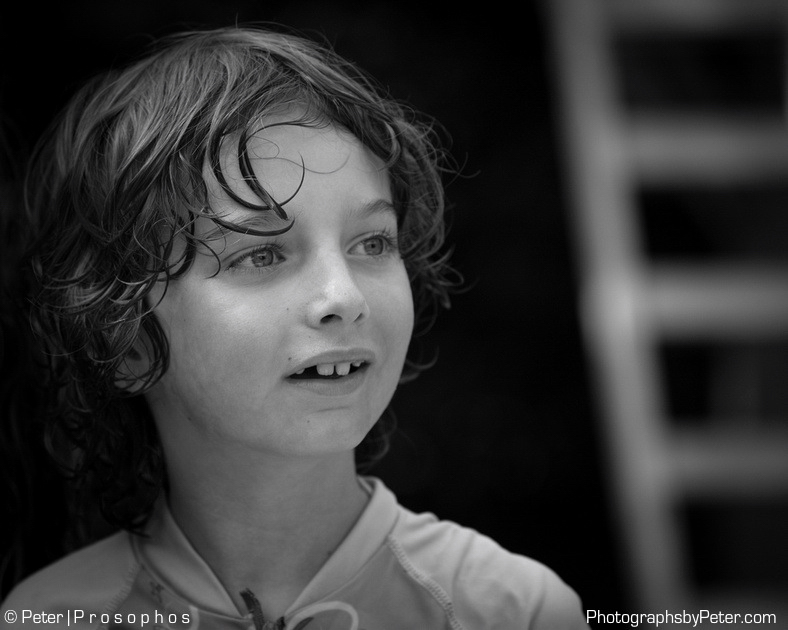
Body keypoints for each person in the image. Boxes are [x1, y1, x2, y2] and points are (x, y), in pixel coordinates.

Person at [1, 25, 588, 629]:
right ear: (123, 341)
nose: (345, 297)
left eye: (373, 242)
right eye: (261, 254)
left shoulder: (512, 609)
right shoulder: (52, 617)